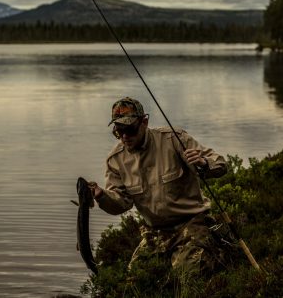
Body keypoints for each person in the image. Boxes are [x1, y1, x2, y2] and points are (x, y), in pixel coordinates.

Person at [89, 97, 230, 275]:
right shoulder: (115, 160)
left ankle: (214, 250)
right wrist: (101, 195)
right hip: (154, 233)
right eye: (118, 131)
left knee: (190, 273)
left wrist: (203, 163)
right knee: (136, 279)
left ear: (144, 122)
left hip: (192, 223)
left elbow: (221, 164)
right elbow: (121, 203)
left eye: (130, 129)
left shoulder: (174, 139)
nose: (125, 136)